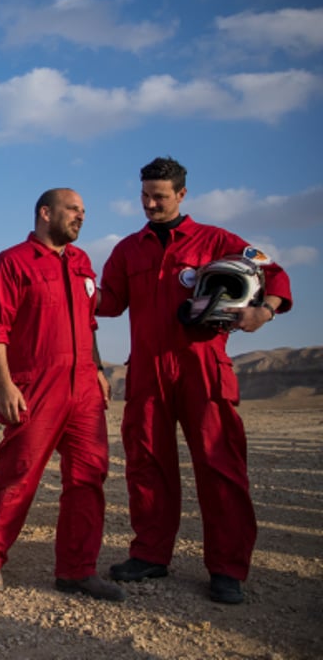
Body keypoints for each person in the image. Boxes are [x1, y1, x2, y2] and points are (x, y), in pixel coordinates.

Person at [98, 157, 292, 605]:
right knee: (147, 464)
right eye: (144, 195)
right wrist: (73, 281)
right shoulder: (128, 249)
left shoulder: (219, 240)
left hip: (203, 367)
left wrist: (263, 311)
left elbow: (275, 273)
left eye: (159, 196)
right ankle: (150, 555)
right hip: (147, 370)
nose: (150, 203)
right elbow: (108, 303)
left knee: (220, 466)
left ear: (182, 195)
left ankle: (227, 569)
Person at [0, 188, 124, 601]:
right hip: (36, 386)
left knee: (88, 478)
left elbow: (89, 323)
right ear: (45, 213)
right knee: (17, 473)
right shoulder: (12, 262)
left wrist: (98, 370)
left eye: (83, 211)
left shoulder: (81, 262)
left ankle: (77, 570)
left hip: (84, 388)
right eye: (73, 209)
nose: (81, 217)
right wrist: (5, 385)